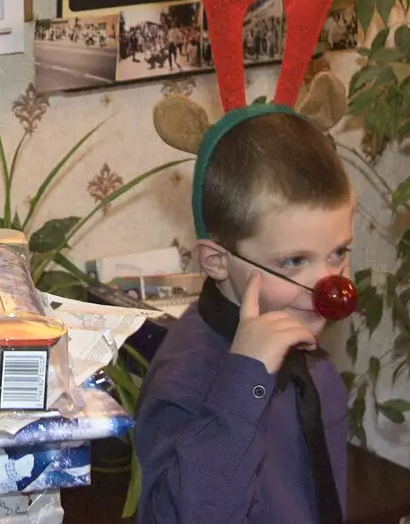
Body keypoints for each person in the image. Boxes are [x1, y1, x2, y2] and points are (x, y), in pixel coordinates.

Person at [136, 109, 353, 524]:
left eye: (338, 253)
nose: (328, 288)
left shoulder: (307, 355)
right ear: (217, 261)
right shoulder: (186, 382)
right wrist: (244, 384)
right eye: (293, 261)